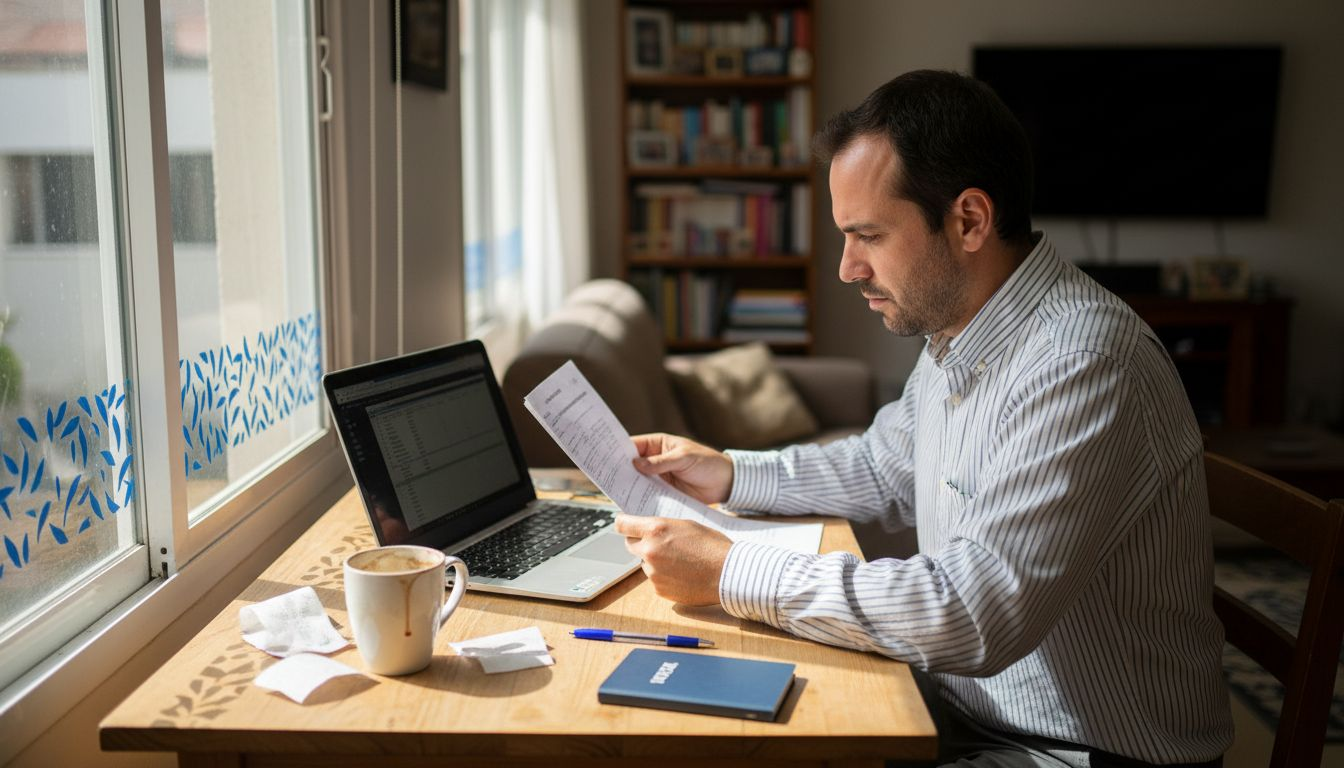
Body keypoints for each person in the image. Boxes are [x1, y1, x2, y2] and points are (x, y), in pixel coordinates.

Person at [614, 70, 1232, 768]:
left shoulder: (1083, 364)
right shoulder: (962, 330)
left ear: (969, 220)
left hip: (1080, 752)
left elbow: (972, 614)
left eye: (868, 235)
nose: (848, 268)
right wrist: (729, 474)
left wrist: (731, 571)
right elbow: (883, 465)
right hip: (973, 709)